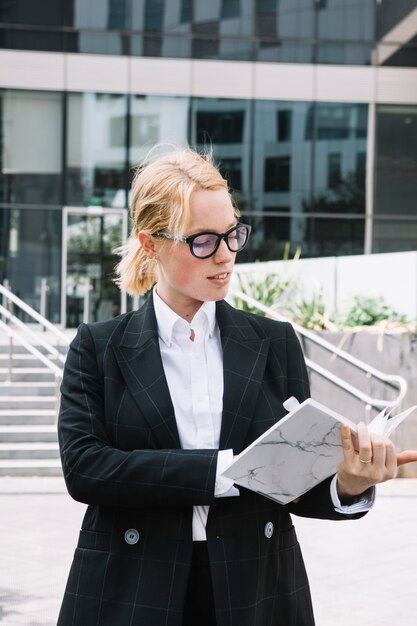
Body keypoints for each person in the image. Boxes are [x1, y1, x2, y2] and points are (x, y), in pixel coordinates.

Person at [57, 147, 416, 626]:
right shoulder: (99, 348)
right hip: (132, 588)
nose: (226, 255)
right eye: (203, 240)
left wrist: (348, 483)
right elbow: (86, 468)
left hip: (255, 589)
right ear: (150, 243)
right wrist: (223, 472)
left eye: (233, 234)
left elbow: (290, 487)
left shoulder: (273, 341)